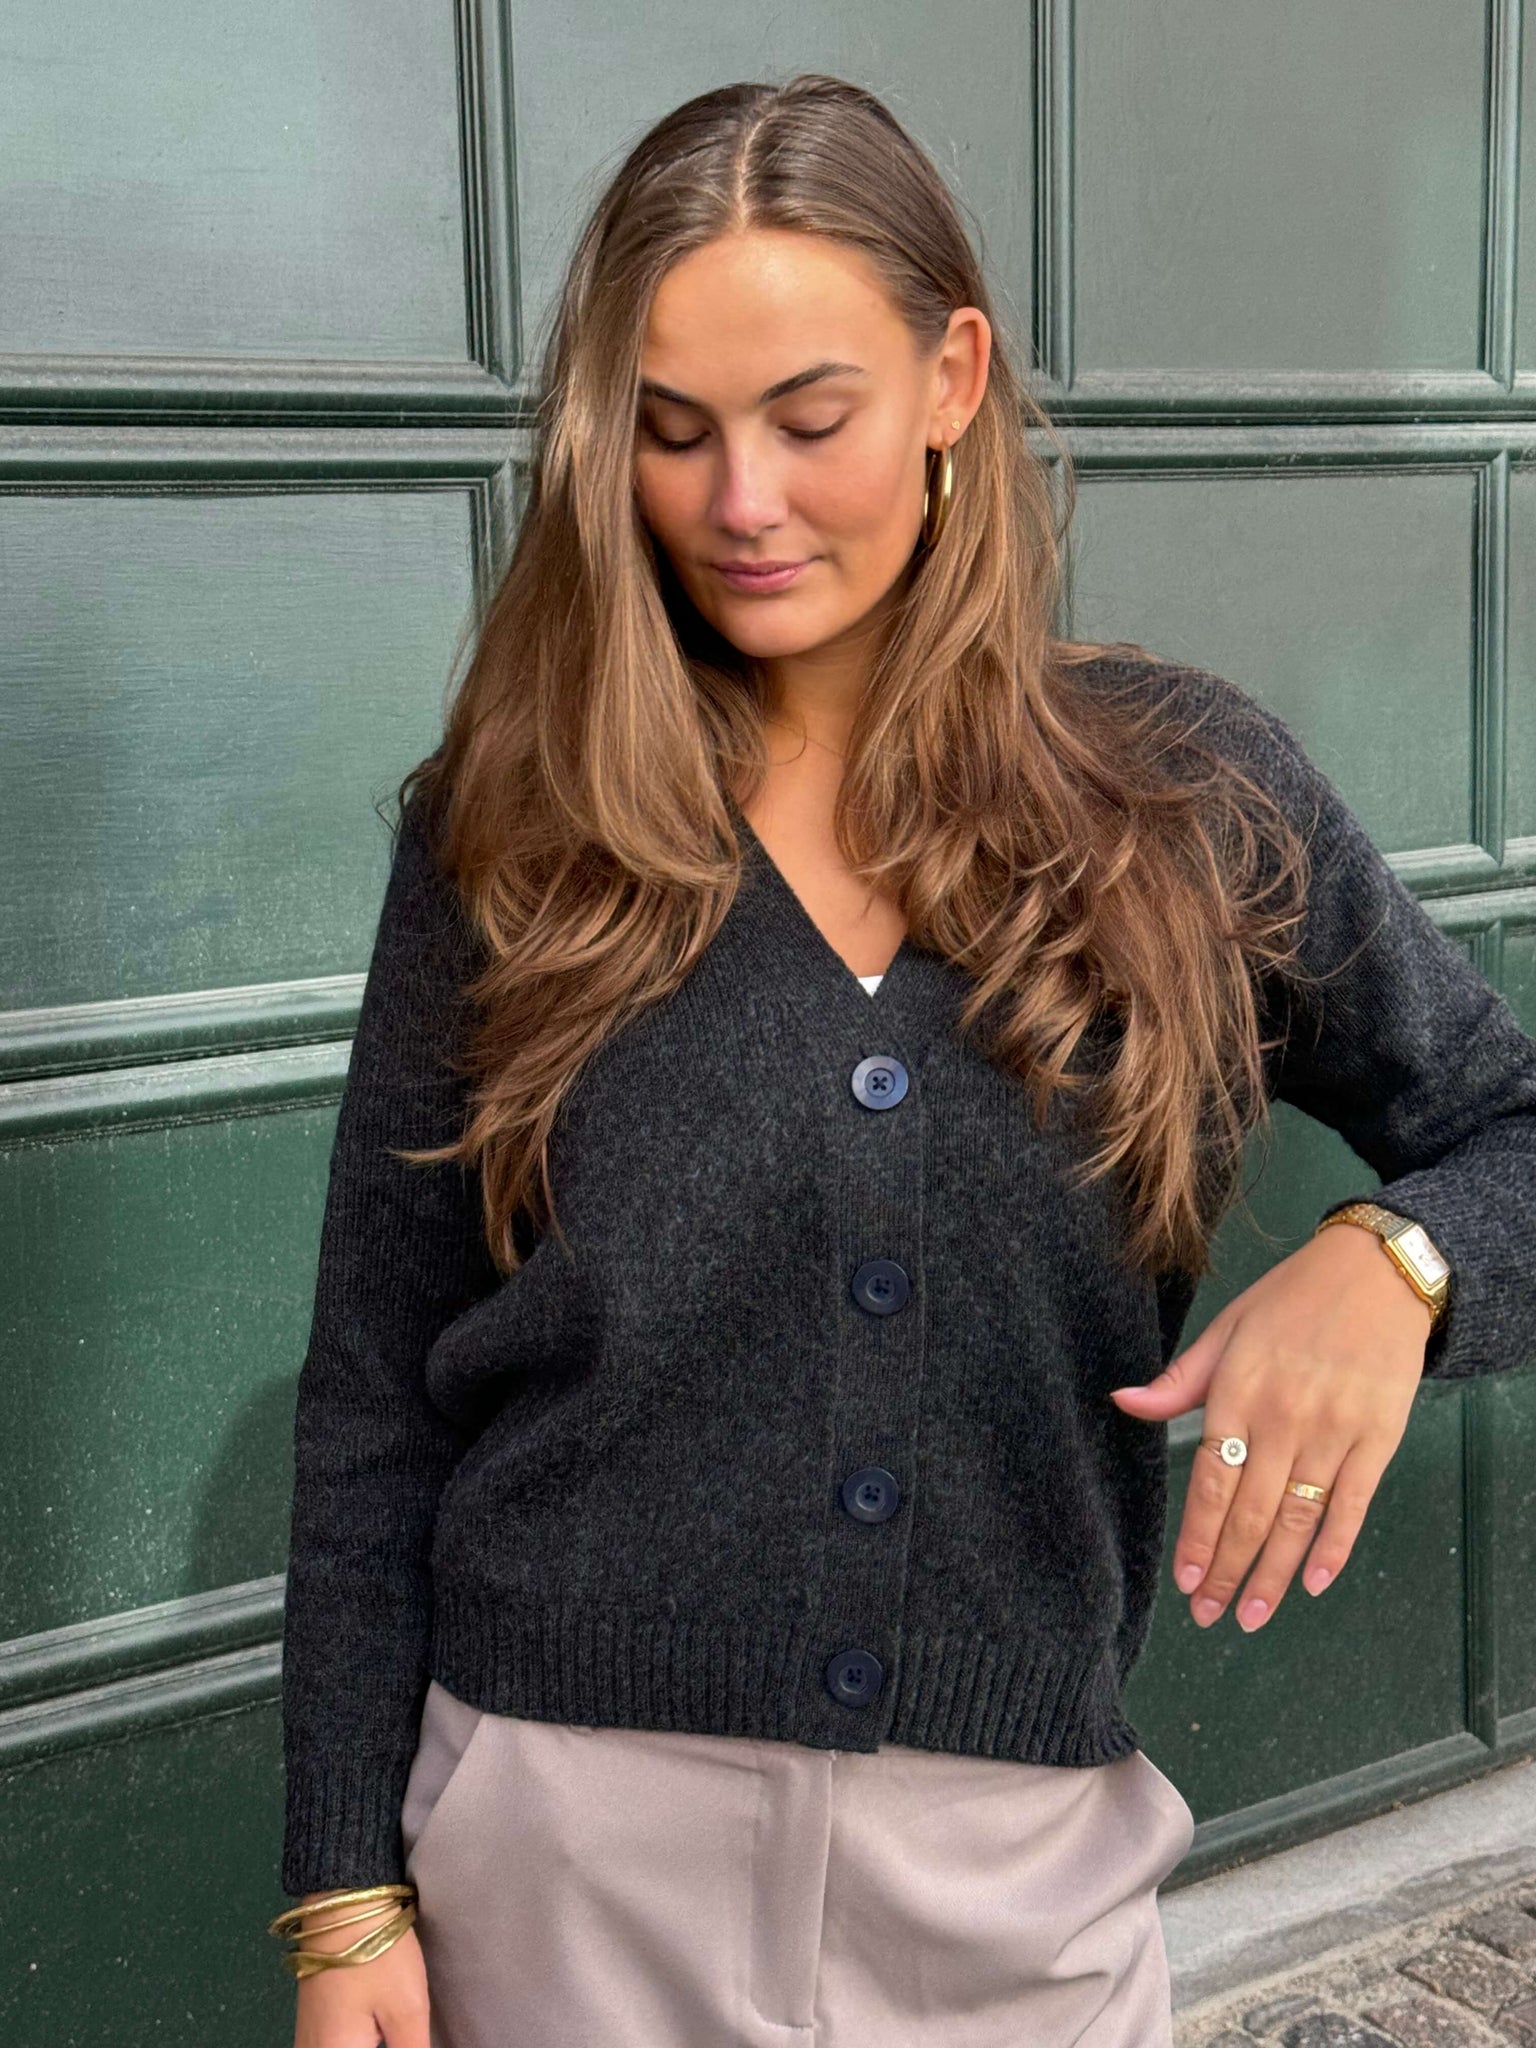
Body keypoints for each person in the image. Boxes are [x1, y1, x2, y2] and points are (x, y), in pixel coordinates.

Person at [271, 71, 1536, 2048]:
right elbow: (374, 1392)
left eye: (809, 419)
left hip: (1011, 1889)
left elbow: (1511, 1132)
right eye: (671, 431)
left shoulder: (1184, 798)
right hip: (564, 1861)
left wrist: (1401, 1262)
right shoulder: (514, 827)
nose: (739, 503)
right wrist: (344, 1894)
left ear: (952, 380)